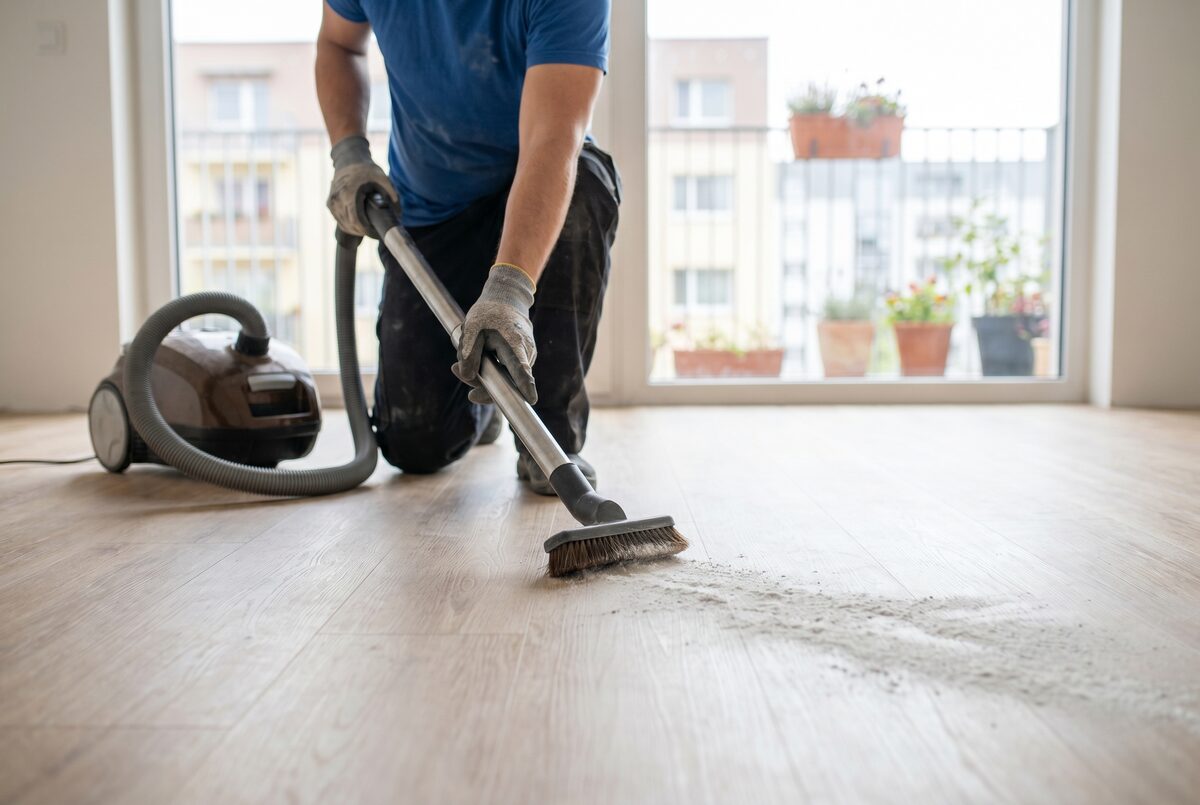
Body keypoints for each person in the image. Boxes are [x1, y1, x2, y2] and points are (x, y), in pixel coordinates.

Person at [316, 0, 619, 495]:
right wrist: (349, 153)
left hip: (537, 191)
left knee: (586, 185)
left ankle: (549, 439)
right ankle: (486, 413)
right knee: (414, 444)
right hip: (434, 206)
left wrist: (511, 291)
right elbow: (338, 43)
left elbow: (553, 136)